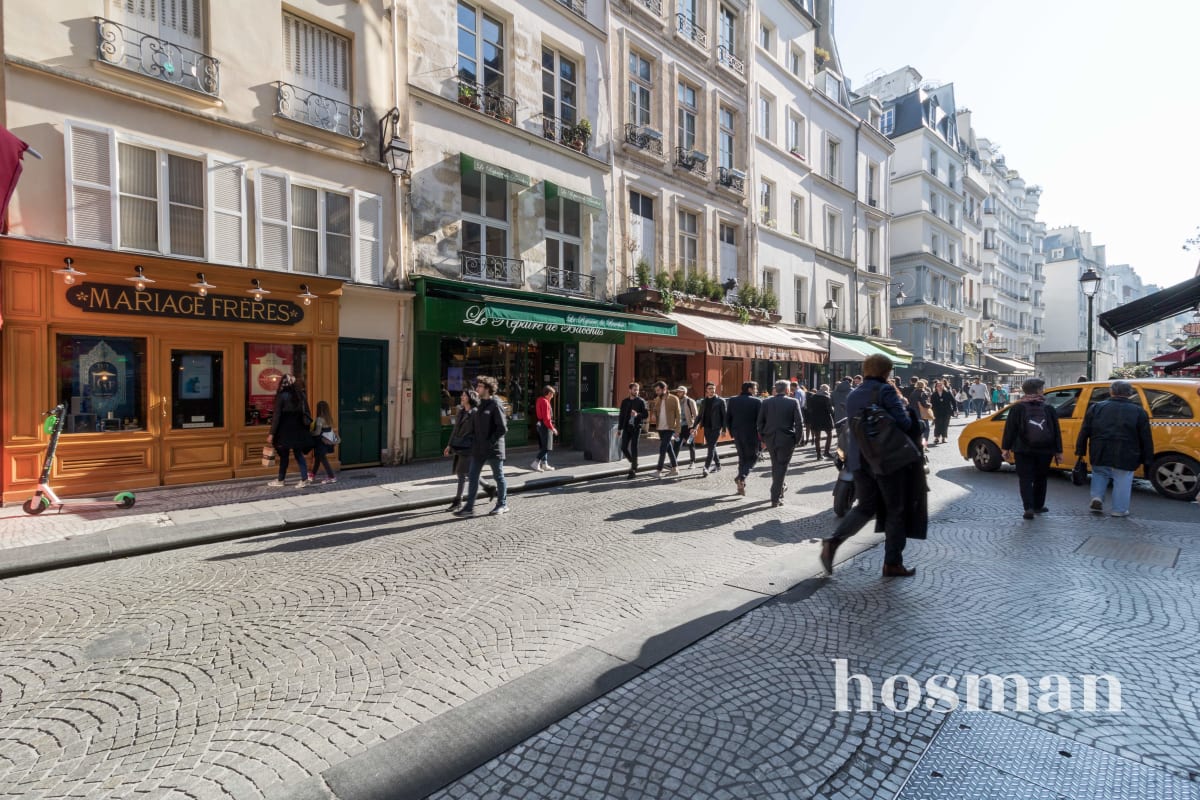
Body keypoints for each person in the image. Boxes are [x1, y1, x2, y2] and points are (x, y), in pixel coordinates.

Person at [820, 353, 923, 578]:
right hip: (886, 459)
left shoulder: (854, 394)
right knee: (896, 510)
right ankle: (892, 563)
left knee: (866, 506)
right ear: (886, 372)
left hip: (858, 459)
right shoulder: (885, 391)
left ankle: (833, 541)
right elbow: (905, 423)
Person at [1075, 380, 1154, 518]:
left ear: (1111, 392)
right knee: (1122, 478)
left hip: (1100, 447)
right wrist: (1147, 457)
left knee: (1099, 472)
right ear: (1129, 393)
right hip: (1127, 449)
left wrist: (1080, 449)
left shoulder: (1097, 407)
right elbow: (1145, 437)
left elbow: (1085, 430)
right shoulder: (1139, 411)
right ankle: (1119, 509)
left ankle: (1097, 497)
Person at [1001, 378, 1064, 519]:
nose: (1043, 390)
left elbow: (1010, 429)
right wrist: (1058, 451)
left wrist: (1005, 448)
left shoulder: (1017, 408)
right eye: (1042, 388)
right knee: (1041, 477)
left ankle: (1028, 507)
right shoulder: (1048, 408)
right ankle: (1038, 505)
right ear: (1038, 390)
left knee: (1025, 478)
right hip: (1045, 449)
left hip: (1022, 449)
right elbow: (1056, 431)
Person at [456, 375, 509, 516]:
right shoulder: (479, 405)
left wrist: (489, 442)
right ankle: (469, 508)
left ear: (487, 389)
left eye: (480, 386)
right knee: (473, 476)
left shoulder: (495, 405)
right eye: (477, 385)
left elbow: (502, 428)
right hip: (478, 448)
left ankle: (502, 504)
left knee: (498, 476)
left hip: (494, 449)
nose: (477, 388)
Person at [444, 389, 494, 510]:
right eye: (462, 395)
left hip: (470, 448)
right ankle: (488, 487)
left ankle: (458, 501)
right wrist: (449, 445)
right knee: (466, 473)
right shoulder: (461, 412)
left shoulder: (476, 413)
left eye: (464, 396)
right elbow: (455, 430)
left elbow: (481, 432)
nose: (462, 397)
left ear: (470, 398)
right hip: (459, 446)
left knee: (462, 473)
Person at [757, 380, 803, 507]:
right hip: (787, 439)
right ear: (788, 390)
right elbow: (799, 423)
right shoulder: (793, 402)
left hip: (771, 438)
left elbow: (760, 422)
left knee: (776, 465)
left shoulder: (766, 402)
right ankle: (775, 496)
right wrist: (797, 440)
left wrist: (763, 439)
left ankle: (780, 488)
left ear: (776, 390)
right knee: (781, 467)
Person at [266, 373, 312, 488]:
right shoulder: (301, 395)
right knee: (298, 455)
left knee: (284, 456)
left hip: (284, 431)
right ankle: (304, 479)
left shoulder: (281, 396)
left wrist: (271, 433)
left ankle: (281, 480)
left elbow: (276, 416)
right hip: (298, 429)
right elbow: (307, 413)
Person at [725, 381, 762, 496]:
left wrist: (732, 432)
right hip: (752, 434)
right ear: (750, 389)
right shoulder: (757, 401)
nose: (756, 391)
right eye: (755, 388)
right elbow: (760, 421)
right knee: (753, 457)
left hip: (737, 433)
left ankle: (741, 484)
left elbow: (728, 418)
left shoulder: (732, 400)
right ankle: (741, 477)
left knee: (742, 458)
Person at [648, 380, 681, 477]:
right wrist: (653, 414)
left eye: (658, 390)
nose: (657, 392)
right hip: (660, 428)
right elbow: (655, 410)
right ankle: (675, 469)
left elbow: (678, 415)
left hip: (669, 428)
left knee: (663, 448)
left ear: (665, 389)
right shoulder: (657, 399)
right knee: (669, 449)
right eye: (656, 391)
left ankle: (658, 471)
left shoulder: (674, 399)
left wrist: (678, 430)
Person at [617, 382, 648, 479]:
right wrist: (619, 429)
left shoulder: (641, 401)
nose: (636, 391)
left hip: (636, 428)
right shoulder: (624, 402)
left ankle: (633, 470)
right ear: (630, 390)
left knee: (634, 447)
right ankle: (634, 462)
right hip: (626, 428)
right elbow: (621, 416)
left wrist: (637, 415)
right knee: (623, 447)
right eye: (635, 389)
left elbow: (646, 415)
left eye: (637, 390)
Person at [698, 382, 727, 475]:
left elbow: (724, 416)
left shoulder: (720, 401)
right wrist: (693, 426)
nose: (712, 390)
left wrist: (724, 429)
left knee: (710, 447)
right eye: (710, 388)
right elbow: (699, 415)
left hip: (716, 427)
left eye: (713, 388)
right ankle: (718, 465)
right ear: (706, 390)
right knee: (712, 446)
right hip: (707, 427)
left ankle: (706, 467)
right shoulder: (704, 401)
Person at [310, 399, 338, 484]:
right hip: (326, 442)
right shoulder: (329, 418)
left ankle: (332, 477)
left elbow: (317, 432)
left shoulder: (319, 419)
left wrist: (310, 433)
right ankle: (312, 475)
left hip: (320, 443)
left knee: (323, 459)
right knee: (318, 459)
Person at [532, 385, 559, 472]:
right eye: (552, 394)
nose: (553, 396)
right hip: (545, 426)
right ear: (549, 393)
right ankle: (536, 463)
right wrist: (553, 428)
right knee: (546, 447)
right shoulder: (545, 402)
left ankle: (544, 464)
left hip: (540, 425)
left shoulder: (539, 400)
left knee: (543, 446)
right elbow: (547, 419)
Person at [806, 384, 835, 459]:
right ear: (827, 390)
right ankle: (826, 452)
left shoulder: (812, 397)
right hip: (825, 418)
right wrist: (834, 415)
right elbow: (830, 410)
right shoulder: (827, 398)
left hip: (815, 418)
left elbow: (809, 408)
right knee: (829, 435)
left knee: (817, 437)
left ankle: (818, 454)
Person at [673, 385, 699, 468]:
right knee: (676, 445)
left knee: (690, 445)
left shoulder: (690, 401)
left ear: (684, 392)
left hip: (689, 427)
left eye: (680, 391)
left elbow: (696, 416)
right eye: (677, 391)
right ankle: (674, 463)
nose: (678, 393)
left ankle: (692, 462)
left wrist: (694, 428)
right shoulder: (676, 401)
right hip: (679, 427)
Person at [930, 380, 956, 445]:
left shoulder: (948, 392)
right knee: (938, 424)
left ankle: (944, 438)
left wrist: (955, 409)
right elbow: (931, 403)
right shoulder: (933, 394)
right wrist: (932, 412)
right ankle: (937, 437)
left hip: (947, 411)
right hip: (937, 412)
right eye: (938, 386)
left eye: (941, 385)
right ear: (936, 387)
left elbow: (953, 401)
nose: (940, 387)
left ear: (943, 386)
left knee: (945, 424)